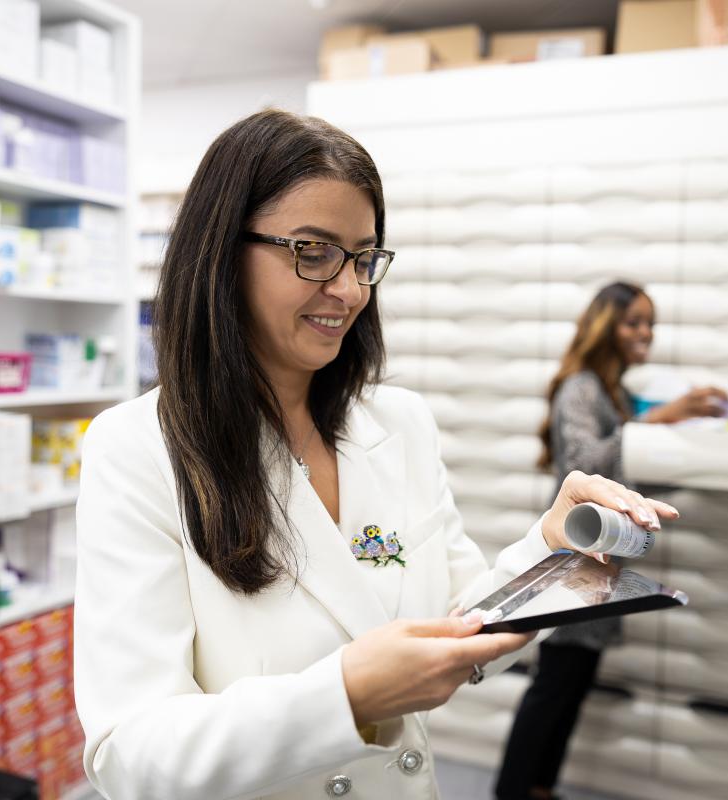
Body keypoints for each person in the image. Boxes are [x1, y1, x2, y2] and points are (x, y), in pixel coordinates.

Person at [72, 111, 679, 800]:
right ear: (220, 254)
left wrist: (552, 550)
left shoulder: (400, 424)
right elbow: (132, 756)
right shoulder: (137, 450)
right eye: (313, 251)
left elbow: (457, 623)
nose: (350, 289)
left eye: (363, 257)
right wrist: (347, 695)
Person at [495, 282, 728, 800]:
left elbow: (629, 479)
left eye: (650, 323)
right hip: (573, 557)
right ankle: (514, 791)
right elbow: (584, 466)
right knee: (554, 687)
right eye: (633, 322)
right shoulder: (581, 387)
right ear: (605, 327)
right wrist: (655, 423)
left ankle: (537, 787)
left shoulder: (612, 392)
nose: (645, 334)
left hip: (600, 559)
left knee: (570, 688)